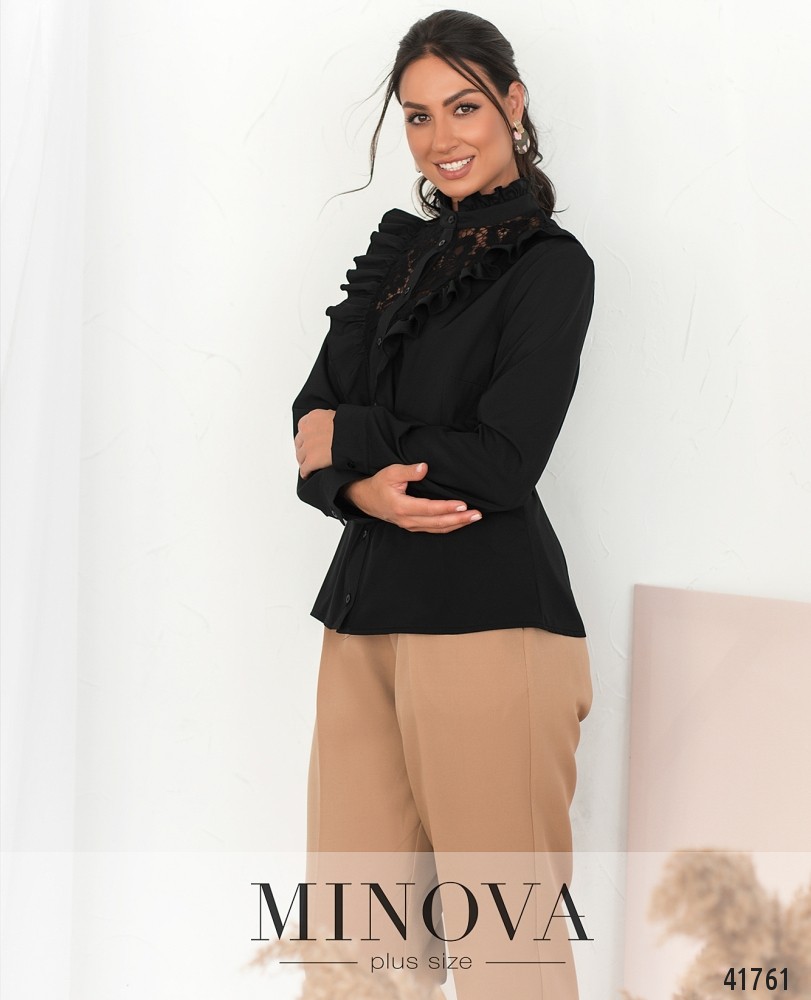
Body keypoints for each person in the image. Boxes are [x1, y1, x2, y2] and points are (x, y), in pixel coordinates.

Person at [291, 10, 595, 999]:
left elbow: (503, 462)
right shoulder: (396, 260)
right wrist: (355, 486)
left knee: (506, 955)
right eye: (417, 116)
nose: (440, 137)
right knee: (353, 957)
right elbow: (308, 428)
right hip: (361, 621)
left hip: (490, 626)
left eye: (463, 107)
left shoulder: (549, 265)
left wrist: (355, 441)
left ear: (512, 103)